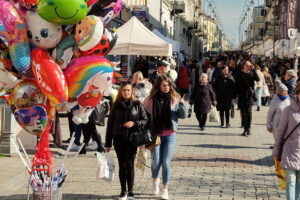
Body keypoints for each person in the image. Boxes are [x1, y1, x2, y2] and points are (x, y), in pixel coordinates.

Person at [143, 75, 187, 200]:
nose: (166, 87)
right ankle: (155, 180)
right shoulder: (150, 100)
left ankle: (165, 190)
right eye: (164, 85)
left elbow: (183, 116)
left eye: (168, 85)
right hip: (155, 135)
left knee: (166, 163)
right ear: (158, 86)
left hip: (170, 135)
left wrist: (183, 104)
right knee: (156, 162)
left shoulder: (175, 99)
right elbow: (144, 117)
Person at [105, 82, 148, 200]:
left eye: (128, 90)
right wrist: (107, 143)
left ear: (132, 91)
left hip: (132, 139)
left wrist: (134, 123)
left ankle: (131, 192)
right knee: (122, 165)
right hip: (119, 139)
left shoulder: (137, 104)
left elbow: (145, 120)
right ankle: (123, 191)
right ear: (120, 91)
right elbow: (109, 125)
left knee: (130, 164)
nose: (126, 92)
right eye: (124, 90)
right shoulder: (116, 105)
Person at [273, 82, 300, 200]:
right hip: (290, 150)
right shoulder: (288, 110)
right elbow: (280, 132)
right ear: (297, 94)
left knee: (299, 183)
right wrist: (276, 149)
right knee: (291, 181)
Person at [235, 61, 260, 137]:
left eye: (249, 65)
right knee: (243, 113)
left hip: (250, 97)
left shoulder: (252, 73)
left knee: (248, 113)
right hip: (242, 96)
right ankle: (245, 129)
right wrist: (234, 97)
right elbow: (236, 86)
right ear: (243, 66)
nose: (248, 66)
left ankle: (248, 129)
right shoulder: (239, 75)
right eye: (247, 65)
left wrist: (254, 70)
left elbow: (258, 79)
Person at [266, 80, 290, 147]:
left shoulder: (288, 99)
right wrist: (269, 125)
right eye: (283, 91)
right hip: (277, 123)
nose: (285, 92)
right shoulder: (275, 101)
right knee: (278, 139)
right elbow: (270, 114)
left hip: (287, 123)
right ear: (279, 92)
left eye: (286, 91)